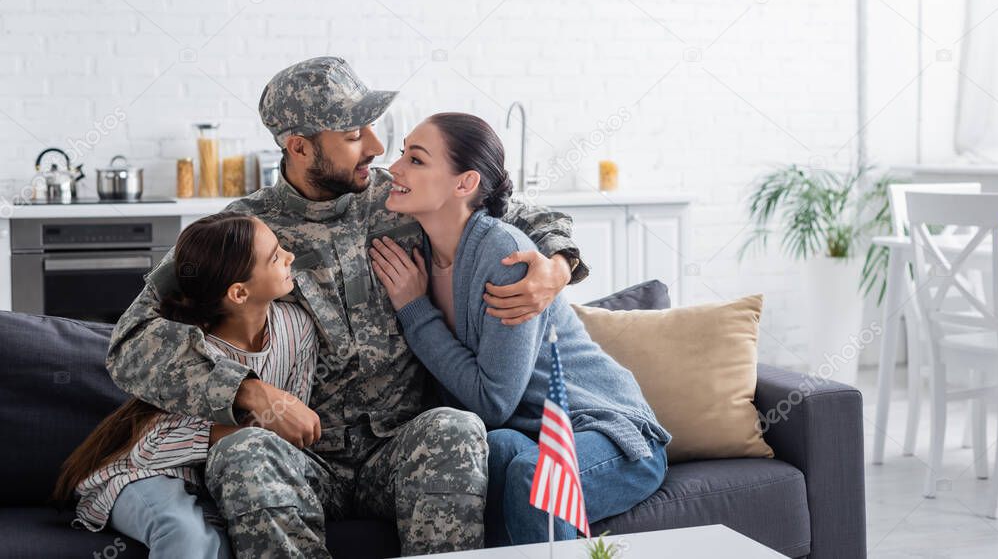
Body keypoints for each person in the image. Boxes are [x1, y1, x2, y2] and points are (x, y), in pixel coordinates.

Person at [106, 57, 590, 557]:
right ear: (299, 147)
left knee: (456, 426)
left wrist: (557, 263)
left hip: (402, 453)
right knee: (242, 451)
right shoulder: (239, 233)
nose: (377, 147)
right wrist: (250, 393)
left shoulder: (402, 196)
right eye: (354, 134)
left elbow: (522, 208)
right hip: (305, 458)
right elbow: (131, 341)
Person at [368, 113, 670, 546]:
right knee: (501, 449)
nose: (394, 169)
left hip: (612, 435)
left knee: (534, 476)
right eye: (402, 156)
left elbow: (492, 401)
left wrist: (416, 312)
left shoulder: (504, 255)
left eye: (415, 160)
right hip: (532, 432)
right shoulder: (417, 252)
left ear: (464, 183)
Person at [55, 212, 316, 558]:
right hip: (143, 474)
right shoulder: (194, 353)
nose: (290, 257)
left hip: (213, 477)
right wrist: (244, 431)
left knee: (223, 540)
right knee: (189, 537)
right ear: (239, 293)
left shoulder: (297, 329)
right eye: (275, 256)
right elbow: (150, 449)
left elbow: (291, 425)